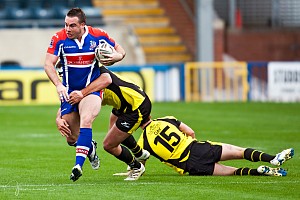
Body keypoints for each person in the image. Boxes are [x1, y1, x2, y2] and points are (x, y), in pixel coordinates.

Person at [44, 7, 125, 181]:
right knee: (71, 136)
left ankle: (77, 166)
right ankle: (90, 148)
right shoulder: (59, 38)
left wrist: (116, 57)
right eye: (66, 25)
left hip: (90, 91)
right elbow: (48, 64)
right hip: (68, 92)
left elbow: (121, 51)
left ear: (82, 25)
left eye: (72, 25)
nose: (68, 29)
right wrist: (58, 85)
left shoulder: (98, 35)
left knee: (87, 120)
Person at [57, 66, 152, 181]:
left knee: (109, 145)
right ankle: (140, 154)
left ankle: (137, 167)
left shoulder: (94, 75)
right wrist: (59, 118)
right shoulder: (82, 79)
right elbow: (70, 101)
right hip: (122, 105)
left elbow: (106, 79)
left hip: (136, 106)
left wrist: (82, 93)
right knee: (115, 135)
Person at [135, 116, 294, 176]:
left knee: (233, 172)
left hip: (189, 166)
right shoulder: (166, 119)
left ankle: (258, 172)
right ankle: (272, 158)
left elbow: (141, 163)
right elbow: (190, 132)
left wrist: (133, 169)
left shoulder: (142, 142)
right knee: (239, 152)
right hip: (198, 149)